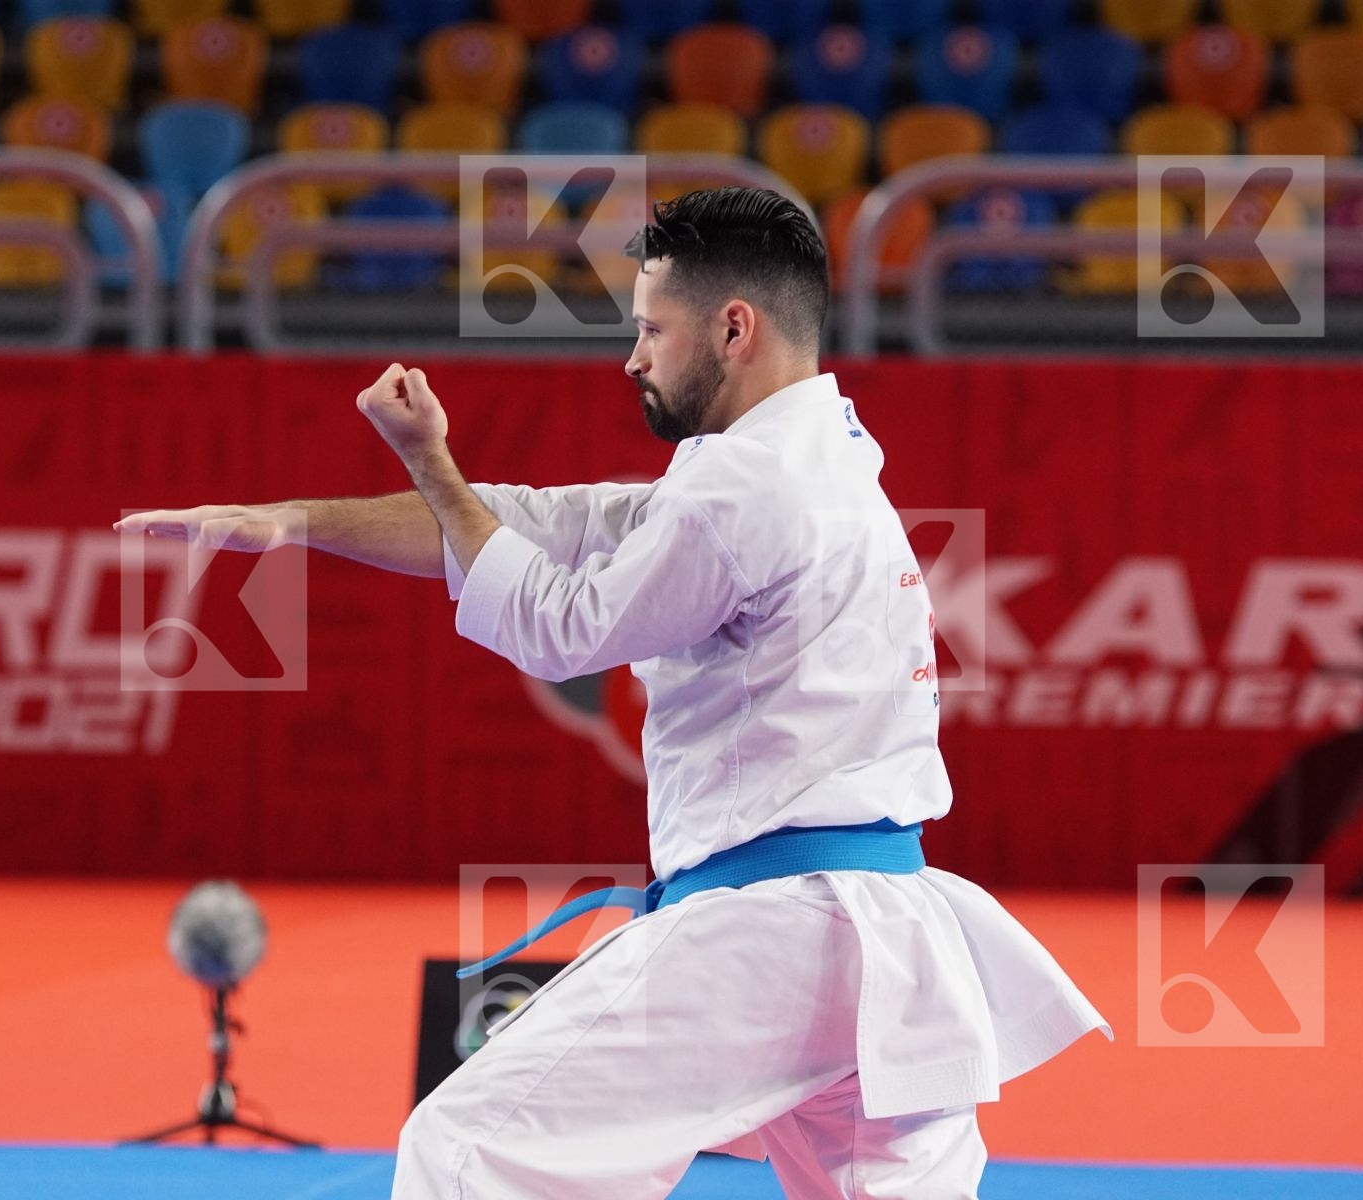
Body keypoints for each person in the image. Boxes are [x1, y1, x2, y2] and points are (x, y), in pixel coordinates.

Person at [115, 187, 1112, 1198]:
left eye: (650, 329)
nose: (633, 357)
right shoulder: (823, 457)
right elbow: (538, 523)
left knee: (466, 1151)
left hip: (772, 930)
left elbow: (561, 627)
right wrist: (299, 520)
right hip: (887, 936)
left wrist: (427, 456)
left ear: (734, 328)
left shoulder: (745, 488)